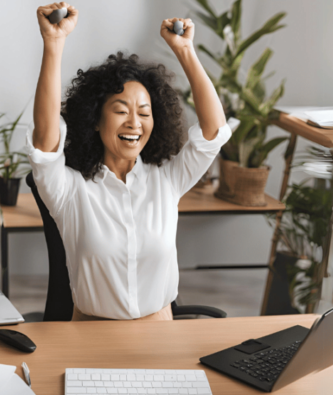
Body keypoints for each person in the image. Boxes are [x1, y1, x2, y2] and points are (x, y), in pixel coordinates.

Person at [28, 2, 236, 321]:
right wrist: (53, 43)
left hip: (160, 330)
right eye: (121, 111)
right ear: (95, 120)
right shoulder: (69, 190)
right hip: (91, 333)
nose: (134, 123)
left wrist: (185, 51)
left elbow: (214, 133)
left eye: (144, 113)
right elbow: (45, 141)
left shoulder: (167, 180)